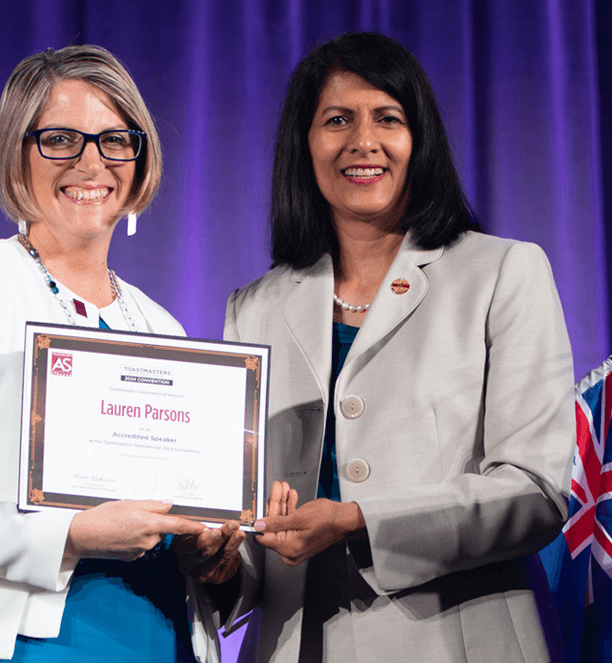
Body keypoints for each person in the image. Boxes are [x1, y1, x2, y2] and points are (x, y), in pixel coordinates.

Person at [0, 44, 240, 663]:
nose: (92, 162)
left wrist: (202, 550)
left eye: (115, 140)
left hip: (151, 632)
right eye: (62, 139)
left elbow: (176, 509)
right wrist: (70, 534)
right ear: (18, 153)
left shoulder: (163, 327)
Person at [222, 32, 576, 662]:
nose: (364, 142)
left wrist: (360, 519)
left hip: (459, 641)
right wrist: (220, 561)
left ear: (420, 141)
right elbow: (247, 521)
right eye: (337, 120)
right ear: (303, 145)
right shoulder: (253, 307)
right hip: (293, 643)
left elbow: (536, 491)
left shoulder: (503, 272)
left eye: (388, 118)